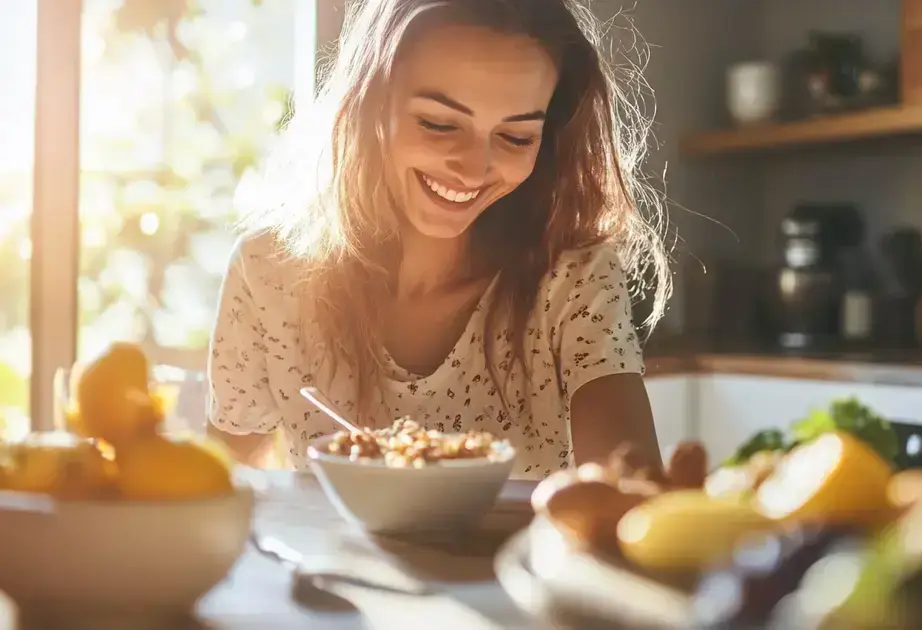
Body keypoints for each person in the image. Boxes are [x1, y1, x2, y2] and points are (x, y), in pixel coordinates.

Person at [207, 0, 671, 479]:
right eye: (439, 123)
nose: (473, 168)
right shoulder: (266, 273)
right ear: (369, 105)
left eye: (515, 137)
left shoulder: (574, 278)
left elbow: (629, 494)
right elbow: (220, 491)